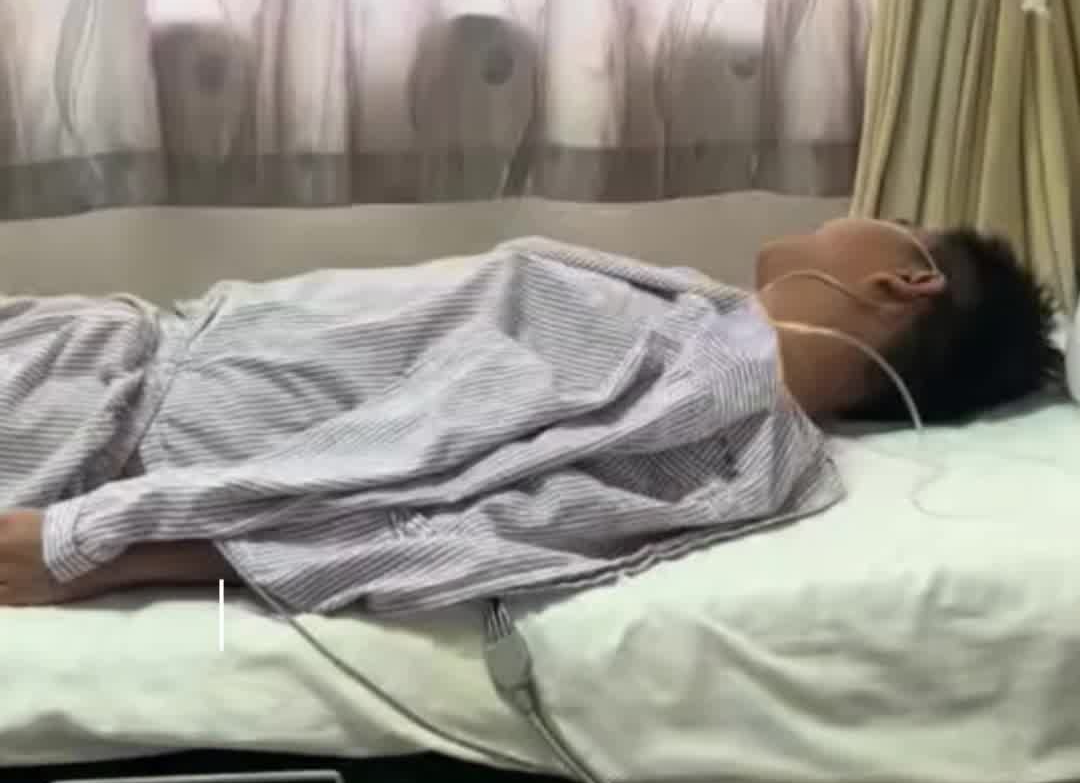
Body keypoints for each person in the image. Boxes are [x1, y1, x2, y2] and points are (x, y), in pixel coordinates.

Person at [0, 219, 1058, 612]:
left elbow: (446, 522)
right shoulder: (699, 322)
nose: (843, 214)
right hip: (90, 347)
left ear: (903, 279)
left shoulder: (726, 415)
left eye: (886, 219)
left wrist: (92, 547)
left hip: (83, 420)